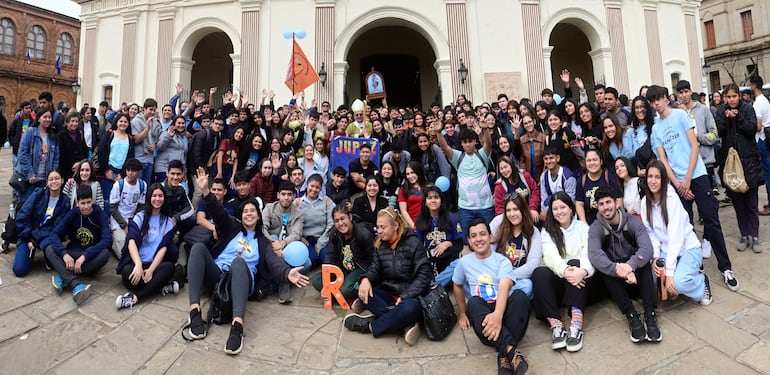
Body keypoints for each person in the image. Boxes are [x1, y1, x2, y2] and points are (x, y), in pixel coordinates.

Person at [183, 167, 310, 354]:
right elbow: (218, 213)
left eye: (253, 211)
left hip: (242, 282)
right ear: (241, 216)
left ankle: (237, 326)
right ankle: (194, 312)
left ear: (258, 216)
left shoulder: (262, 242)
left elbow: (273, 261)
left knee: (239, 262)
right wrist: (206, 191)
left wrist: (286, 272)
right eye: (245, 212)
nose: (249, 213)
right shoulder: (231, 227)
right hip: (217, 276)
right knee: (198, 248)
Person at [647, 85, 738, 292]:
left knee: (711, 220)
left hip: (696, 174)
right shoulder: (656, 128)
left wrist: (688, 178)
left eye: (658, 99)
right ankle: (695, 267)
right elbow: (663, 160)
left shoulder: (680, 115)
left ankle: (726, 267)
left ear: (665, 99)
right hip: (677, 182)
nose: (656, 104)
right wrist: (678, 184)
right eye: (652, 102)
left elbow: (695, 145)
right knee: (683, 225)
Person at [343, 208, 432, 346]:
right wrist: (365, 279)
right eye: (377, 227)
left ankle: (370, 325)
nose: (379, 231)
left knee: (410, 309)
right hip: (389, 294)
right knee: (366, 293)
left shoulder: (413, 243)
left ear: (395, 226)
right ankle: (404, 323)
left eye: (383, 227)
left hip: (411, 298)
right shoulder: (380, 245)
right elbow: (374, 269)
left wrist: (406, 295)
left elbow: (424, 275)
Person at [453, 218, 530, 375]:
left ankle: (503, 356)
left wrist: (498, 315)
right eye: (473, 236)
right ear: (468, 240)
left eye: (482, 234)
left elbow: (504, 286)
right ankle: (511, 351)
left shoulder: (502, 261)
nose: (478, 239)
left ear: (490, 236)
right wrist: (462, 312)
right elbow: (457, 284)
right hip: (484, 318)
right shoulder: (464, 262)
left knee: (520, 296)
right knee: (473, 302)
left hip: (503, 312)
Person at [587, 186, 661, 343]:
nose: (606, 207)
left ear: (616, 203)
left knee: (644, 263)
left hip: (637, 277)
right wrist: (618, 269)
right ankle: (631, 314)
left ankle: (650, 313)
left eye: (608, 202)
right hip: (617, 282)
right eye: (601, 204)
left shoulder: (632, 221)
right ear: (597, 207)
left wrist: (630, 266)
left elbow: (647, 248)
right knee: (605, 269)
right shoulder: (596, 228)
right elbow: (594, 254)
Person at [640, 161, 713, 306]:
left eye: (657, 177)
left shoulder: (671, 200)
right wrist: (655, 258)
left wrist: (670, 273)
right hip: (666, 251)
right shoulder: (644, 202)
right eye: (650, 176)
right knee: (654, 278)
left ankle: (700, 282)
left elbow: (676, 238)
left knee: (678, 283)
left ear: (664, 179)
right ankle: (675, 285)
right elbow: (651, 233)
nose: (653, 181)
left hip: (687, 248)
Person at [532, 192, 594, 352]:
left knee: (576, 262)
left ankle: (576, 325)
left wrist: (583, 271)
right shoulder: (547, 231)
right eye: (555, 208)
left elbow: (589, 253)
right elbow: (550, 256)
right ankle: (557, 326)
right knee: (539, 273)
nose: (559, 211)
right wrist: (565, 271)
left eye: (563, 207)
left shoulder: (582, 227)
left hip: (582, 282)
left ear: (571, 209)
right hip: (563, 278)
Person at [115, 183, 180, 310]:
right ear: (149, 197)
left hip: (154, 266)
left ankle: (135, 298)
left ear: (164, 198)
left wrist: (151, 270)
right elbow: (131, 241)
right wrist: (138, 265)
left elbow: (163, 248)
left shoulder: (168, 222)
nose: (157, 199)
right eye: (154, 195)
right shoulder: (139, 217)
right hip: (137, 264)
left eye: (160, 196)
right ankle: (161, 286)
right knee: (127, 273)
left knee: (169, 267)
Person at [715, 83, 764, 253]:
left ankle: (755, 235)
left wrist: (738, 118)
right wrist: (727, 119)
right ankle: (744, 234)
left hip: (748, 162)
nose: (731, 100)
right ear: (724, 98)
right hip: (730, 164)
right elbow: (719, 132)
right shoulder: (721, 110)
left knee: (751, 202)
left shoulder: (748, 108)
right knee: (738, 204)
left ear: (739, 96)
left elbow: (752, 130)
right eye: (728, 97)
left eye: (734, 96)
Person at [46, 185, 111, 305]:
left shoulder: (99, 214)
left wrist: (85, 256)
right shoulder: (73, 214)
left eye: (88, 202)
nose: (86, 206)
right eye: (83, 203)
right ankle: (75, 284)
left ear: (92, 200)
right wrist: (64, 254)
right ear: (77, 203)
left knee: (105, 254)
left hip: (88, 257)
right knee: (49, 249)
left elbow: (107, 239)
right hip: (72, 253)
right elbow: (54, 235)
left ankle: (63, 276)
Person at [434, 117, 495, 238]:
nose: (467, 144)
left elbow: (488, 144)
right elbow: (445, 148)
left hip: (486, 206)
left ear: (475, 142)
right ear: (461, 143)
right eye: (464, 142)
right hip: (465, 208)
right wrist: (438, 132)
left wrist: (486, 129)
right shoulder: (458, 157)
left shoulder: (482, 154)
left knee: (489, 237)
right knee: (467, 240)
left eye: (470, 141)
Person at [13, 170, 71, 277]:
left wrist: (35, 237)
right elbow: (22, 216)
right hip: (28, 234)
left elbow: (58, 227)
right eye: (51, 179)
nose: (54, 182)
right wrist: (28, 238)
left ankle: (48, 259)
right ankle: (29, 252)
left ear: (62, 180)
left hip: (46, 237)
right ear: (47, 183)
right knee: (19, 270)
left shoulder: (65, 201)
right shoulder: (38, 194)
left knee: (49, 244)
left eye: (57, 178)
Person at [310, 204, 374, 300]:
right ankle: (339, 293)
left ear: (350, 217)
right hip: (342, 269)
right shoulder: (334, 233)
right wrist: (327, 284)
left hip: (360, 269)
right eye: (336, 221)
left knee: (346, 290)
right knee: (316, 280)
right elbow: (330, 256)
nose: (340, 223)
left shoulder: (363, 234)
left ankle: (357, 291)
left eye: (343, 219)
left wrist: (367, 278)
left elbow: (373, 260)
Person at [491, 195, 543, 299]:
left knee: (528, 286)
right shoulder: (498, 223)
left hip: (518, 278)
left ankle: (495, 296)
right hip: (496, 275)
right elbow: (489, 252)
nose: (512, 214)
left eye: (516, 209)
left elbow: (533, 264)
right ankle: (503, 296)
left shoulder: (533, 232)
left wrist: (506, 276)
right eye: (508, 210)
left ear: (523, 210)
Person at [262, 181, 305, 304]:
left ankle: (276, 279)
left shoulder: (299, 213)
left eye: (289, 194)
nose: (286, 197)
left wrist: (282, 244)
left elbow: (296, 234)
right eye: (283, 194)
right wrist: (273, 244)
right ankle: (284, 283)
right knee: (274, 234)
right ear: (278, 195)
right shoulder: (269, 208)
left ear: (294, 196)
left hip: (289, 246)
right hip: (271, 246)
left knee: (306, 263)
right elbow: (263, 228)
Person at [415, 186, 463, 287]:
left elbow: (460, 246)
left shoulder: (451, 218)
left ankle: (434, 284)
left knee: (459, 264)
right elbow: (418, 246)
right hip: (430, 260)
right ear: (425, 201)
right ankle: (435, 283)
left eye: (436, 197)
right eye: (430, 198)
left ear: (441, 200)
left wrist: (448, 243)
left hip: (448, 260)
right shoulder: (420, 220)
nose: (433, 201)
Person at [16, 108, 60, 203]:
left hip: (45, 180)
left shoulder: (53, 137)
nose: (47, 119)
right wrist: (30, 174)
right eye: (45, 117)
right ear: (39, 118)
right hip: (30, 180)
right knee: (26, 207)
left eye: (49, 117)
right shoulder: (30, 132)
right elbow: (22, 154)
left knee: (40, 208)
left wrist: (52, 177)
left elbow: (56, 158)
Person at [296, 174, 336, 270]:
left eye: (317, 187)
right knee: (312, 259)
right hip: (306, 240)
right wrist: (299, 237)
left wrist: (320, 244)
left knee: (327, 259)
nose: (314, 190)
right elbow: (291, 223)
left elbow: (332, 223)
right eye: (312, 186)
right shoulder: (297, 202)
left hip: (323, 238)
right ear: (307, 185)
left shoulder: (327, 202)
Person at [97, 112, 135, 211]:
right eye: (120, 121)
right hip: (107, 171)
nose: (123, 123)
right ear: (116, 122)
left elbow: (130, 158)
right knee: (107, 200)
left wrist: (122, 175)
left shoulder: (130, 138)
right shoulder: (110, 133)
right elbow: (101, 151)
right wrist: (106, 170)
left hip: (121, 172)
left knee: (118, 200)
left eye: (125, 122)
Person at [109, 159, 146, 258]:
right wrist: (124, 226)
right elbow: (112, 209)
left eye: (133, 170)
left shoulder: (142, 185)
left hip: (133, 220)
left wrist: (134, 222)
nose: (130, 173)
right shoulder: (119, 185)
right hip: (118, 222)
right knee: (123, 250)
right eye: (128, 170)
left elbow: (141, 207)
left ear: (139, 172)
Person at [575, 148, 622, 224]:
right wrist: (584, 224)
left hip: (610, 221)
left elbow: (619, 200)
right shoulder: (581, 180)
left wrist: (616, 220)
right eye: (589, 160)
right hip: (590, 223)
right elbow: (579, 203)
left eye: (595, 159)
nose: (592, 163)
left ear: (601, 161)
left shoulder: (609, 177)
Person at [494, 156, 540, 222]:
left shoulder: (524, 175)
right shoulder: (499, 186)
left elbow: (535, 191)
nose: (504, 170)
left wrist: (533, 208)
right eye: (501, 169)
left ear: (511, 165)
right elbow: (499, 208)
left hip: (529, 213)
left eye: (506, 167)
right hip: (512, 218)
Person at [539, 146, 577, 221]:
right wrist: (544, 211)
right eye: (546, 159)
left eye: (551, 158)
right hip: (550, 211)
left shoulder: (568, 177)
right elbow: (544, 198)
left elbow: (571, 201)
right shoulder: (544, 176)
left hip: (566, 212)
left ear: (558, 158)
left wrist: (553, 211)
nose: (549, 161)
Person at [131, 98, 158, 185]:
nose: (152, 112)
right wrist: (147, 128)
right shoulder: (136, 121)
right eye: (150, 109)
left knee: (146, 188)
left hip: (150, 160)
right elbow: (136, 140)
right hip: (139, 159)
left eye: (154, 110)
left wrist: (155, 145)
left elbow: (158, 137)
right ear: (144, 109)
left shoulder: (156, 121)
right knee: (138, 187)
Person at [56, 111, 89, 181]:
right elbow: (61, 154)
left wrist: (80, 163)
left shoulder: (80, 134)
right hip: (66, 172)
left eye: (76, 121)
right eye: (72, 121)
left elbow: (85, 151)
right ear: (67, 122)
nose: (74, 123)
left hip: (80, 171)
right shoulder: (60, 136)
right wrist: (73, 166)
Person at [155, 116, 188, 183]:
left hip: (177, 170)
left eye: (183, 123)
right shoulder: (166, 133)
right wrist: (168, 135)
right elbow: (160, 146)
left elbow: (184, 155)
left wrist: (184, 171)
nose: (181, 125)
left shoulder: (184, 138)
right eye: (179, 123)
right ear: (174, 124)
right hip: (164, 167)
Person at [398, 161, 427, 229]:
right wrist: (413, 226)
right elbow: (403, 211)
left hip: (427, 223)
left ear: (418, 172)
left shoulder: (428, 187)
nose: (410, 176)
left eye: (412, 173)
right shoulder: (403, 189)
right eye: (407, 174)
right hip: (412, 225)